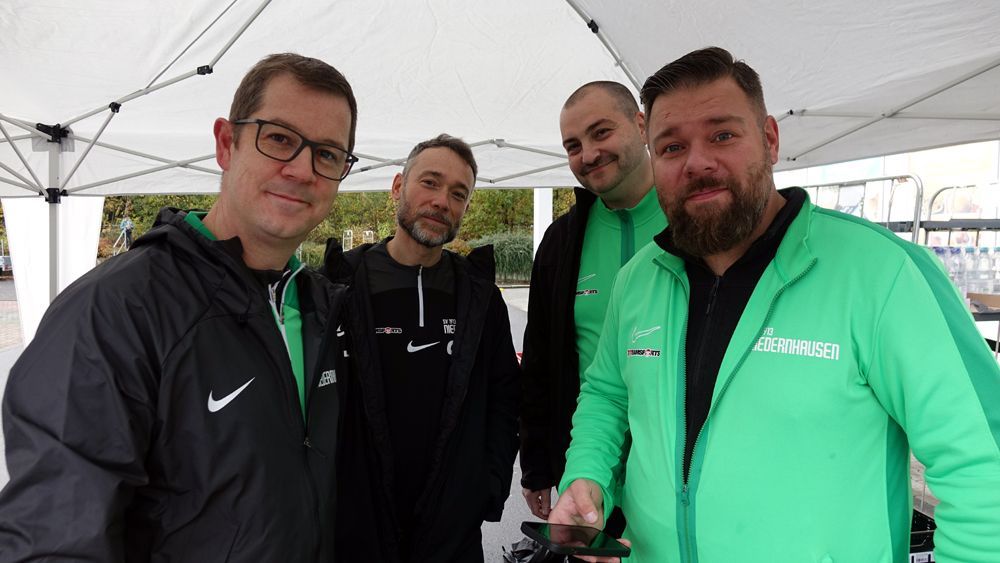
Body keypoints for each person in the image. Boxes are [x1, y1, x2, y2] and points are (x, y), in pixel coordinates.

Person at [551, 47, 1000, 562]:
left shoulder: (883, 272)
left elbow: (983, 464)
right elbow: (607, 396)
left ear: (769, 139)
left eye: (722, 135)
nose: (697, 162)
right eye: (672, 147)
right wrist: (586, 476)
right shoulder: (637, 280)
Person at [0, 53, 358, 561]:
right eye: (279, 138)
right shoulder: (114, 309)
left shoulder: (318, 304)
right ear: (226, 144)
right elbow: (54, 538)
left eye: (327, 154)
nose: (303, 170)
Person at [323, 134, 520, 562]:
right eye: (430, 183)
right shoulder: (339, 286)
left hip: (452, 529)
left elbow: (505, 396)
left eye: (458, 193)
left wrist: (487, 486)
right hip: (357, 527)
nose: (442, 201)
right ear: (398, 187)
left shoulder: (480, 296)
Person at [519, 81, 665, 533]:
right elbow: (540, 357)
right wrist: (537, 464)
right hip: (588, 472)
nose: (588, 154)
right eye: (573, 146)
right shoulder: (562, 241)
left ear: (641, 125)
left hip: (676, 473)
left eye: (601, 133)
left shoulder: (693, 219)